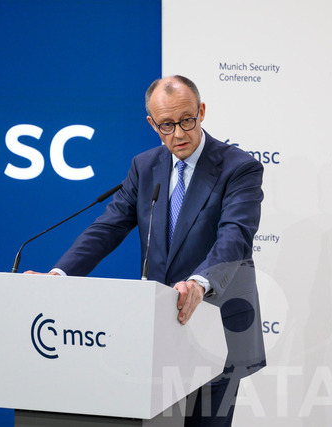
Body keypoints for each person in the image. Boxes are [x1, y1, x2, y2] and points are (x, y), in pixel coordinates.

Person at [27, 75, 266, 426]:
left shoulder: (238, 167)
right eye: (167, 125)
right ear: (152, 124)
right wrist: (59, 274)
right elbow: (108, 228)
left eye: (187, 120)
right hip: (158, 333)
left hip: (215, 327)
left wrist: (199, 283)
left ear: (201, 111)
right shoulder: (145, 166)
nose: (179, 134)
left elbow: (235, 237)